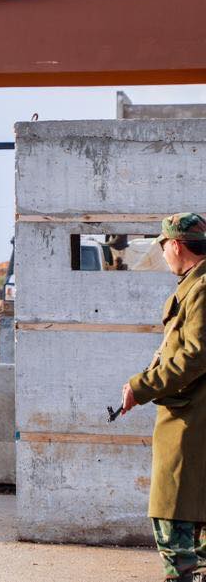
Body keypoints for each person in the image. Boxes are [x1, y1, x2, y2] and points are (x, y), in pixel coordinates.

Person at [122, 212, 206, 582]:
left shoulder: (202, 288)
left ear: (175, 245)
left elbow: (195, 354)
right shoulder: (195, 284)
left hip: (192, 422)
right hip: (192, 418)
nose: (165, 256)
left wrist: (141, 387)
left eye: (164, 247)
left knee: (173, 525)